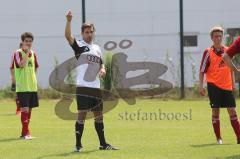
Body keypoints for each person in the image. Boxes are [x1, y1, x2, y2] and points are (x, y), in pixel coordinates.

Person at [65, 10, 119, 152]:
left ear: (94, 32)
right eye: (87, 32)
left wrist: (103, 69)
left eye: (91, 31)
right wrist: (69, 21)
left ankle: (103, 144)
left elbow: (101, 63)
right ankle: (78, 145)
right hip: (83, 86)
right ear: (82, 33)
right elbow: (67, 36)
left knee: (99, 116)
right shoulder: (79, 45)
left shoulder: (97, 48)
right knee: (82, 115)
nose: (89, 34)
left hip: (95, 87)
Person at [199, 26, 240, 144]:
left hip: (227, 86)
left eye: (220, 36)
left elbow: (231, 69)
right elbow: (202, 71)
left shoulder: (228, 50)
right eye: (216, 36)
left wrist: (233, 84)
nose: (218, 38)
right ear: (212, 38)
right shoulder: (208, 52)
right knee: (216, 112)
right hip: (213, 86)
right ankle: (219, 138)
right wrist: (201, 86)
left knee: (232, 111)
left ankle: (239, 137)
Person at [10, 32, 39, 140]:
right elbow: (21, 65)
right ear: (22, 42)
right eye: (26, 41)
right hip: (22, 86)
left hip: (32, 86)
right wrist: (26, 53)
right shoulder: (17, 53)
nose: (28, 43)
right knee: (25, 109)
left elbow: (36, 67)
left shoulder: (34, 53)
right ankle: (26, 133)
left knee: (30, 110)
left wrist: (33, 78)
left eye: (30, 41)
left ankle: (25, 133)